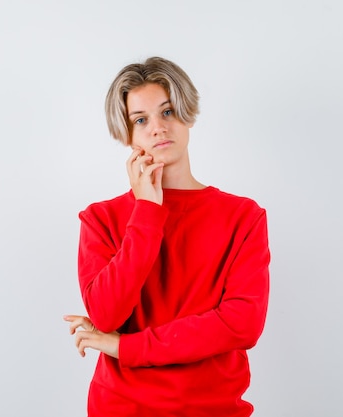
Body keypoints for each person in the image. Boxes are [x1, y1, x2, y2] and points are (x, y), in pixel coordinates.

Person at [63, 56, 270, 416]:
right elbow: (107, 315)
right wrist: (147, 211)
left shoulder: (243, 216)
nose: (158, 128)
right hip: (121, 408)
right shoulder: (100, 218)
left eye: (168, 112)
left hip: (214, 409)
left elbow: (241, 324)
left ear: (188, 115)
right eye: (140, 120)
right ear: (126, 135)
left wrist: (126, 348)